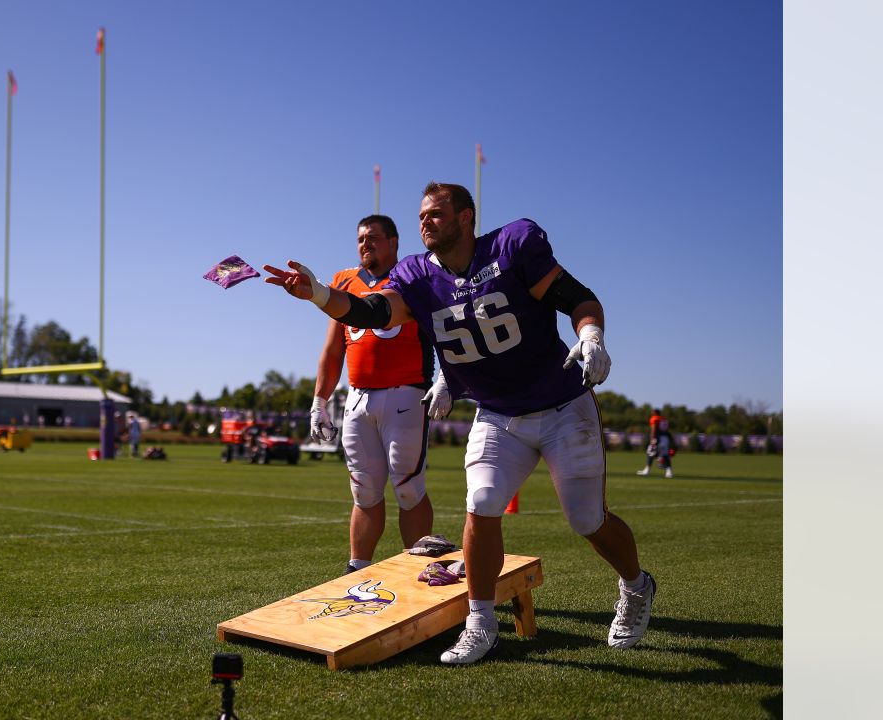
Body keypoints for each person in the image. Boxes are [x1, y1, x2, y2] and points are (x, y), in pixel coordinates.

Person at [264, 181, 655, 665]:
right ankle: (481, 621)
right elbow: (372, 310)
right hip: (495, 413)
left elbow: (579, 298)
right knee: (483, 502)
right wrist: (319, 293)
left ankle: (636, 586)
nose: (425, 221)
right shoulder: (416, 276)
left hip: (560, 404)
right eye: (422, 215)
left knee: (586, 519)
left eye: (436, 214)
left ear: (466, 217)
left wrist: (591, 336)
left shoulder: (512, 247)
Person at [308, 214, 437, 576]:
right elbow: (334, 350)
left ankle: (418, 572)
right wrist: (320, 400)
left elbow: (443, 331)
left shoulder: (412, 277)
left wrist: (447, 380)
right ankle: (357, 568)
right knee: (364, 490)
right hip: (359, 397)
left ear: (394, 241)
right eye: (361, 238)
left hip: (407, 394)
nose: (366, 244)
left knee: (409, 489)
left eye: (374, 238)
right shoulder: (344, 281)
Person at [638, 409, 674, 478]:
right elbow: (667, 431)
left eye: (652, 412)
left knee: (650, 452)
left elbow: (654, 429)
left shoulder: (654, 418)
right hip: (665, 439)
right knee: (665, 455)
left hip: (658, 438)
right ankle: (669, 472)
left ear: (655, 413)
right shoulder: (664, 419)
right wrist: (671, 440)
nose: (651, 413)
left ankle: (647, 470)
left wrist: (652, 439)